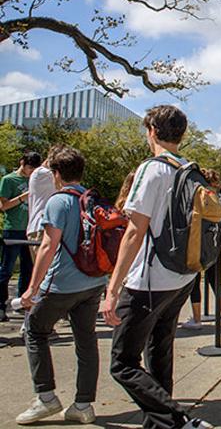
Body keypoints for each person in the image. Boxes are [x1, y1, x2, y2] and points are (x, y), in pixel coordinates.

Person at [101, 104, 213, 429]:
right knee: (159, 349)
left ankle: (179, 421)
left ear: (151, 132)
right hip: (183, 274)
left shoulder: (152, 169)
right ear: (183, 134)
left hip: (150, 279)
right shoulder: (190, 170)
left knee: (122, 362)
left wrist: (113, 288)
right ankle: (161, 423)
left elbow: (135, 231)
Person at [16, 146, 107, 425]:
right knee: (86, 340)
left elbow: (47, 246)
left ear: (56, 173)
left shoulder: (58, 201)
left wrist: (32, 288)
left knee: (34, 330)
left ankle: (46, 397)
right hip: (93, 280)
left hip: (63, 282)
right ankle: (83, 403)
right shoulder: (91, 199)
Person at [182, 169, 221, 329]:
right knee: (215, 281)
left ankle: (197, 319)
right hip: (216, 244)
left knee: (195, 281)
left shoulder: (196, 195)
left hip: (196, 243)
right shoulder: (218, 198)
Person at [0, 151, 42, 322]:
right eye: (30, 168)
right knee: (6, 269)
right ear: (22, 163)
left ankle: (22, 303)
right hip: (13, 229)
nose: (31, 172)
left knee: (28, 269)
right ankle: (1, 305)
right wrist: (23, 198)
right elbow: (4, 206)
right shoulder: (9, 180)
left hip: (30, 229)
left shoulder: (35, 180)